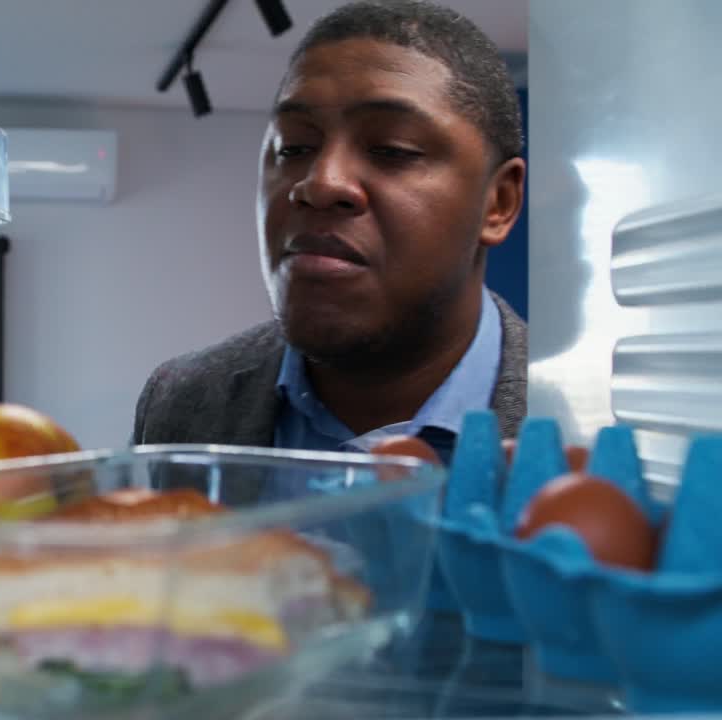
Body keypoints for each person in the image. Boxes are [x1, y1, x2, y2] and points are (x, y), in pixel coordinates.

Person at [131, 0, 526, 465]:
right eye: (293, 147)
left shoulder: (597, 426)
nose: (319, 183)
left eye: (392, 149)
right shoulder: (180, 403)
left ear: (497, 203)